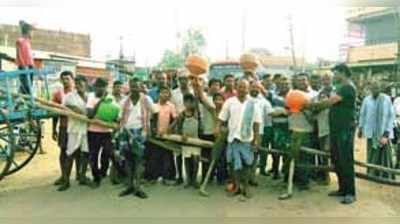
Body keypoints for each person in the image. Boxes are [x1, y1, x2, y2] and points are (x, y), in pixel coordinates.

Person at [310, 63, 357, 204]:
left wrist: (310, 105)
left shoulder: (348, 87)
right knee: (336, 159)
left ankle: (350, 193)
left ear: (343, 73)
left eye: (335, 73)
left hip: (344, 130)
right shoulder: (340, 87)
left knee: (346, 160)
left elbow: (328, 102)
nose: (334, 76)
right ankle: (342, 189)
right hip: (336, 129)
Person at [217, 79, 262, 202]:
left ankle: (245, 187)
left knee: (247, 164)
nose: (242, 89)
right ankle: (236, 187)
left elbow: (257, 123)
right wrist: (219, 129)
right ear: (236, 88)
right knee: (233, 164)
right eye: (240, 87)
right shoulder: (230, 102)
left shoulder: (253, 104)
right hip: (233, 138)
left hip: (247, 138)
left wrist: (256, 139)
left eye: (245, 87)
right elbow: (222, 118)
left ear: (248, 89)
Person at [118, 78, 155, 198]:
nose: (134, 88)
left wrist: (150, 130)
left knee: (139, 160)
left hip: (140, 132)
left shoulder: (146, 99)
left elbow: (154, 113)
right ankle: (129, 186)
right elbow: (120, 118)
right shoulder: (124, 101)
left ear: (140, 87)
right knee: (128, 159)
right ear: (129, 87)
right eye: (132, 86)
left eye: (136, 86)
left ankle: (138, 187)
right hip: (126, 132)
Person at [58, 76, 91, 191]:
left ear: (85, 84)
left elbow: (92, 111)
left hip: (86, 130)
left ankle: (82, 176)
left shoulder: (90, 97)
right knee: (70, 154)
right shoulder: (69, 96)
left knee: (86, 153)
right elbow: (66, 107)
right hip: (74, 130)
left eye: (80, 84)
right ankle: (66, 181)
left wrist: (81, 111)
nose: (78, 86)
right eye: (76, 84)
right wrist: (77, 109)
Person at [87, 78, 120, 188]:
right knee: (93, 155)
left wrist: (115, 121)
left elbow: (115, 113)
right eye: (99, 86)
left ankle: (103, 173)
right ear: (95, 87)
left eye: (104, 86)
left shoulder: (111, 98)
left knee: (109, 153)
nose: (101, 88)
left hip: (107, 132)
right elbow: (90, 115)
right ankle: (96, 178)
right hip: (93, 132)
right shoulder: (91, 97)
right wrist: (100, 101)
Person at [359, 82, 395, 179]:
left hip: (383, 132)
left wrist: (386, 134)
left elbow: (391, 116)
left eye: (377, 88)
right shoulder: (366, 100)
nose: (375, 90)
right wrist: (360, 128)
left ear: (380, 88)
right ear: (370, 88)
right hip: (371, 132)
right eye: (373, 88)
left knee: (385, 155)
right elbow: (362, 114)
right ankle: (372, 174)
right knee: (372, 153)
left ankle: (386, 175)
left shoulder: (386, 99)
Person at [146, 86, 177, 185]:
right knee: (154, 157)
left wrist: (170, 128)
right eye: (163, 92)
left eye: (167, 93)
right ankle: (153, 178)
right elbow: (150, 120)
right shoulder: (154, 105)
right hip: (156, 136)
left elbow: (176, 119)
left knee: (168, 157)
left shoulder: (171, 106)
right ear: (159, 94)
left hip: (167, 136)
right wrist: (153, 130)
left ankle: (167, 178)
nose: (165, 95)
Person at [171, 93, 202, 188]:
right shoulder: (182, 114)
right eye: (187, 102)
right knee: (187, 159)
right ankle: (188, 180)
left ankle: (194, 179)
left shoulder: (197, 113)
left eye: (191, 102)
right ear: (184, 103)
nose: (189, 104)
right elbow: (179, 127)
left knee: (195, 159)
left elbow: (199, 126)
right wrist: (181, 134)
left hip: (195, 139)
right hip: (186, 140)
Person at [52, 71, 75, 186]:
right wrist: (53, 129)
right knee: (63, 152)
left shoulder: (77, 93)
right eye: (63, 79)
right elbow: (55, 114)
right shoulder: (57, 94)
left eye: (68, 79)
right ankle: (64, 176)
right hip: (64, 126)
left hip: (76, 127)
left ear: (72, 80)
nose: (65, 81)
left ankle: (73, 177)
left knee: (74, 153)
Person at [170, 72, 193, 185]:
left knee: (191, 152)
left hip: (191, 124)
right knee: (178, 152)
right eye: (181, 79)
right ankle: (179, 177)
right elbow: (172, 110)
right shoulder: (173, 93)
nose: (183, 81)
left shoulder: (193, 91)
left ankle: (191, 178)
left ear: (189, 80)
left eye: (185, 79)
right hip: (178, 124)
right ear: (178, 80)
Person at [199, 78, 222, 183]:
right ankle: (206, 178)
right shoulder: (209, 102)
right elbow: (201, 98)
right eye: (213, 84)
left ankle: (220, 177)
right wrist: (198, 84)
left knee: (218, 157)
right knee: (206, 157)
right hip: (206, 132)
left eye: (218, 85)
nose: (215, 87)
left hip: (220, 135)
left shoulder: (224, 104)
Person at [249, 81, 272, 184]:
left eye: (257, 88)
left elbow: (270, 115)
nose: (255, 89)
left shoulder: (264, 102)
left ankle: (252, 178)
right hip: (243, 132)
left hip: (258, 132)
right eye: (253, 87)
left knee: (254, 155)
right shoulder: (242, 98)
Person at [313, 74, 334, 184]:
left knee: (326, 152)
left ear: (331, 80)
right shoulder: (319, 93)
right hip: (321, 125)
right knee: (321, 151)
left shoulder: (336, 92)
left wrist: (321, 105)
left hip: (332, 127)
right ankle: (322, 174)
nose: (326, 81)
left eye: (328, 79)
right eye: (324, 79)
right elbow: (315, 107)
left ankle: (327, 177)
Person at [269, 76, 291, 180]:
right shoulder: (274, 95)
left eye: (286, 84)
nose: (284, 86)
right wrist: (283, 111)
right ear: (278, 85)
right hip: (276, 126)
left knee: (288, 150)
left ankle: (286, 173)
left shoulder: (293, 95)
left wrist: (282, 111)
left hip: (289, 127)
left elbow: (292, 111)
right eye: (282, 84)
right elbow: (271, 111)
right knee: (276, 149)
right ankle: (275, 171)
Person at [16, 20, 34, 95]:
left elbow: (29, 55)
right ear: (27, 32)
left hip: (30, 65)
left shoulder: (28, 41)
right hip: (24, 65)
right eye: (31, 31)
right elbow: (19, 54)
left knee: (30, 84)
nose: (32, 33)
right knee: (25, 84)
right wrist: (23, 65)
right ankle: (26, 97)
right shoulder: (19, 41)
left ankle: (26, 96)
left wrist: (33, 65)